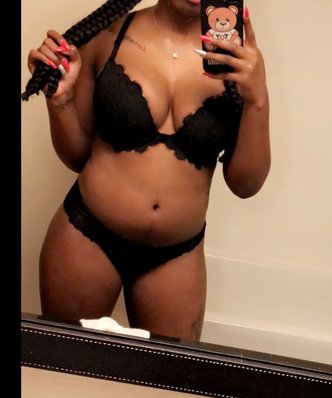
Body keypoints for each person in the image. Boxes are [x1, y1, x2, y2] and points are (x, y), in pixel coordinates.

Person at [23, 0, 270, 341]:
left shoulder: (238, 61)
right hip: (86, 236)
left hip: (177, 255)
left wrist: (257, 98)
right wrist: (61, 101)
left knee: (168, 373)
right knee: (67, 364)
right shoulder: (109, 35)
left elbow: (246, 184)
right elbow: (78, 157)